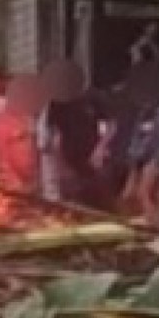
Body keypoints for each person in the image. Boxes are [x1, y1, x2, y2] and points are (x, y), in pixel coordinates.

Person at [42, 61, 113, 208]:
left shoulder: (93, 96)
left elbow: (112, 125)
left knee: (99, 196)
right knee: (73, 199)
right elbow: (53, 132)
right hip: (69, 157)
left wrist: (100, 149)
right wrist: (59, 163)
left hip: (93, 154)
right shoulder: (58, 101)